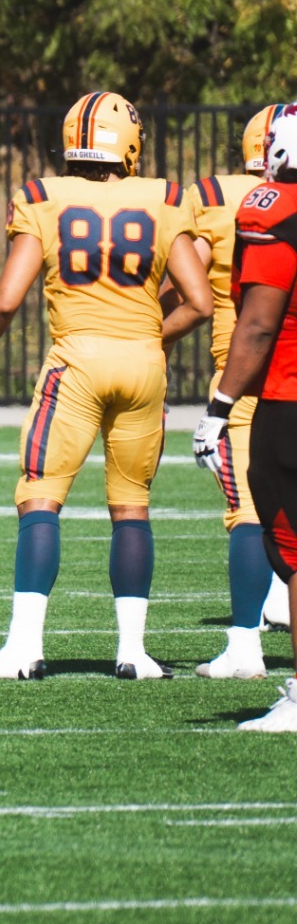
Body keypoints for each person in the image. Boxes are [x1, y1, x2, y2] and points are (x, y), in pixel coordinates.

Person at [0, 92, 213, 681]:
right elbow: (200, 302)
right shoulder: (166, 197)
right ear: (131, 144)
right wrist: (146, 338)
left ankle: (22, 649)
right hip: (144, 366)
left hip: (76, 364)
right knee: (132, 505)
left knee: (40, 496)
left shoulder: (44, 196)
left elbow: (5, 302)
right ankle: (134, 653)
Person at [195, 114, 297, 729]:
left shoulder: (275, 207)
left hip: (287, 397)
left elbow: (258, 324)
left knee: (291, 545)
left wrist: (219, 408)